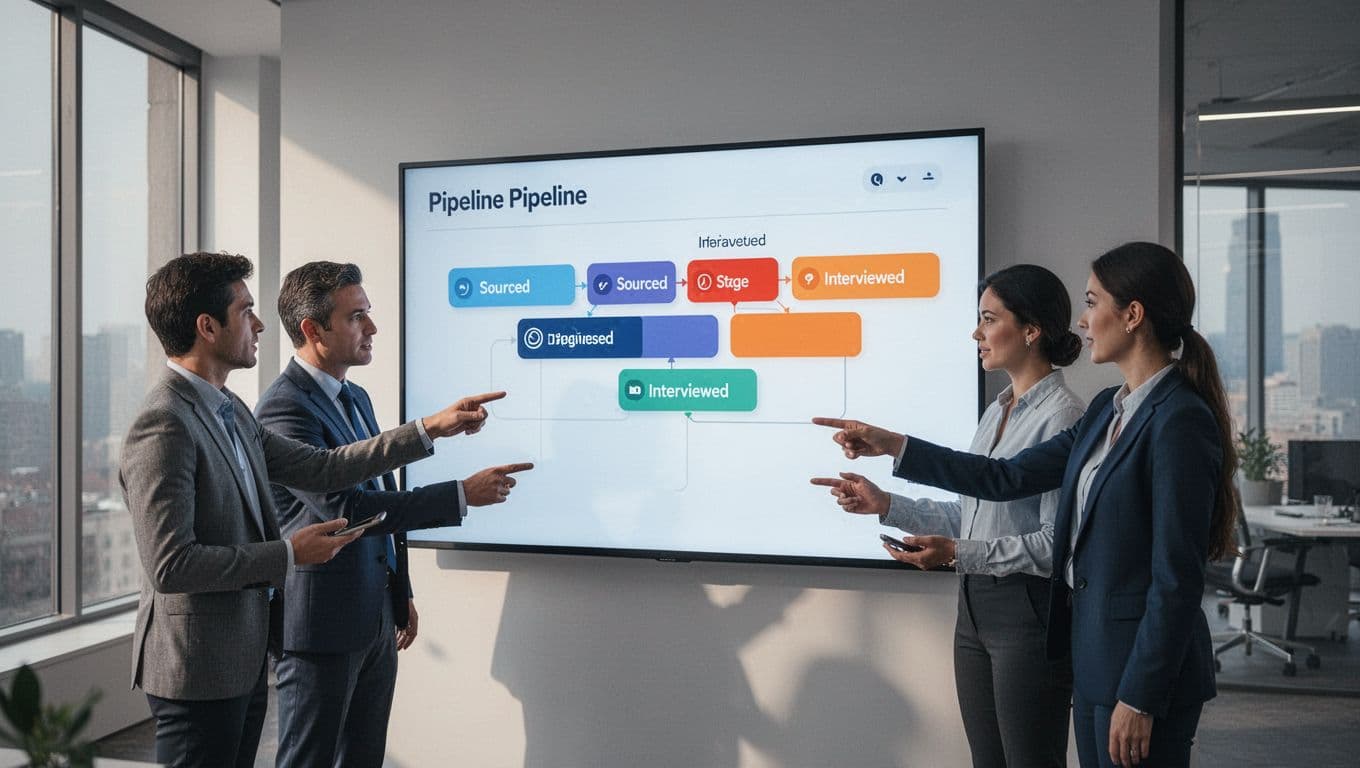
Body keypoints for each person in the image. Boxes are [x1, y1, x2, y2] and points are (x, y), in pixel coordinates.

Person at [814, 242, 1238, 768]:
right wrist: (896, 447)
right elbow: (1004, 478)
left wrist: (1140, 695)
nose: (1082, 321)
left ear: (1132, 316)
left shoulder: (1179, 419)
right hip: (1095, 657)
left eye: (1092, 302)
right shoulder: (1109, 408)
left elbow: (1176, 576)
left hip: (1138, 674)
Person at [121, 252, 503, 768]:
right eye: (245, 311)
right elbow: (171, 566)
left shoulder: (228, 408)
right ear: (207, 327)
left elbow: (324, 468)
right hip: (198, 664)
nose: (258, 324)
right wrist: (288, 553)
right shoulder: (164, 423)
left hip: (243, 654)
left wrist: (431, 428)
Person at [256, 261, 532, 768]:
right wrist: (460, 495)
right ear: (313, 331)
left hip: (373, 618)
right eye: (357, 317)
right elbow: (348, 510)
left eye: (369, 313)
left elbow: (379, 483)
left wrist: (397, 591)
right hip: (321, 627)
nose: (373, 328)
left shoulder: (353, 396)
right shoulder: (283, 409)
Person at [812, 264, 1084, 768]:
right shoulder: (997, 409)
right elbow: (972, 512)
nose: (976, 333)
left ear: (1031, 330)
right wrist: (888, 504)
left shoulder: (1063, 416)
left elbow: (1054, 542)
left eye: (988, 318)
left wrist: (960, 554)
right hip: (974, 609)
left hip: (1027, 611)